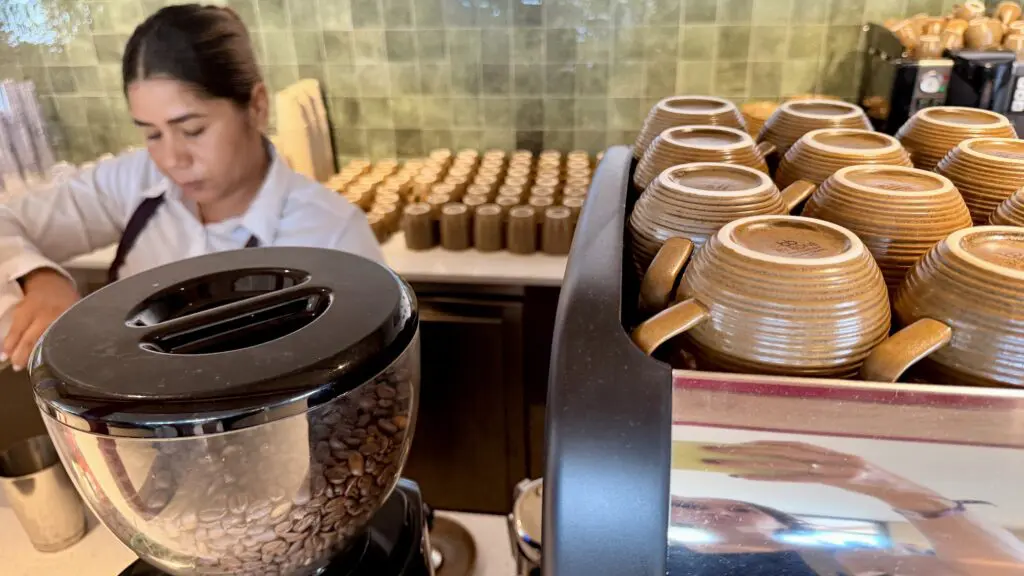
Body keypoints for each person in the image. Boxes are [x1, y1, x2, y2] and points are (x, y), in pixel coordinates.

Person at [0, 4, 381, 371]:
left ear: (257, 107)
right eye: (152, 134)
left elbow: (367, 387)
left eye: (192, 130)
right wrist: (40, 277)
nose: (171, 159)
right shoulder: (135, 182)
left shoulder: (333, 235)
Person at [668, 441, 1024, 575]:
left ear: (780, 522)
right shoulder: (644, 549)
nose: (718, 511)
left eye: (741, 509)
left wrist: (884, 483)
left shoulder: (841, 558)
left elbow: (1006, 571)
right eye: (684, 504)